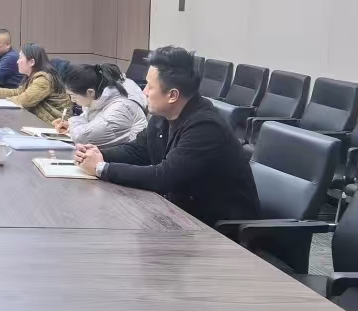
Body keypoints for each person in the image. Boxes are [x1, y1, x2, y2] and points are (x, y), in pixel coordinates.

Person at [73, 46, 260, 225]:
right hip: (181, 214)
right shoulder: (163, 116)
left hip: (219, 230)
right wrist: (98, 153)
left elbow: (164, 177)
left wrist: (102, 168)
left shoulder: (205, 127)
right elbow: (139, 150)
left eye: (150, 86)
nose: (144, 91)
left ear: (172, 95)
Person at [54, 63, 148, 147]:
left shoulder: (121, 108)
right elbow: (90, 127)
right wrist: (69, 126)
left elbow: (82, 137)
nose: (72, 100)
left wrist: (73, 123)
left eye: (73, 96)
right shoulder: (99, 101)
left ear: (90, 92)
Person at [0, 44, 70, 123]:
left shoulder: (43, 79)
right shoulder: (34, 76)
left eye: (20, 58)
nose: (17, 62)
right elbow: (18, 92)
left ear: (31, 62)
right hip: (41, 122)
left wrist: (2, 101)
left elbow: (24, 100)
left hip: (54, 126)